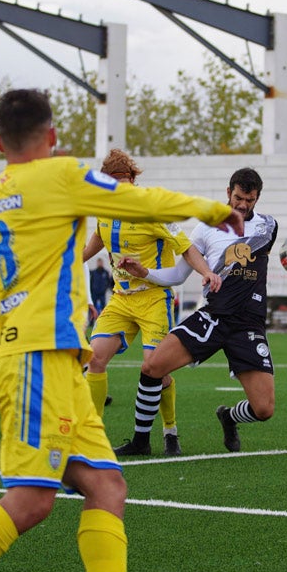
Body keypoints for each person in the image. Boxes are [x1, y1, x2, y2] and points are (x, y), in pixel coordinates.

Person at [0, 88, 241, 572]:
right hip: (34, 362)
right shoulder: (62, 174)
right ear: (54, 136)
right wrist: (212, 210)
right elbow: (140, 199)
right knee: (31, 501)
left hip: (53, 363)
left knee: (107, 488)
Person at [115, 167, 278, 455]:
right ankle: (141, 441)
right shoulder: (205, 229)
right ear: (228, 193)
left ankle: (229, 417)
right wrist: (145, 272)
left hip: (248, 326)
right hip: (214, 317)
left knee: (264, 409)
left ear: (257, 198)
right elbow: (178, 276)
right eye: (238, 197)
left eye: (250, 200)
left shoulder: (269, 227)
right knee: (152, 367)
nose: (243, 205)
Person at [83, 149, 222, 458]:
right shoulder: (103, 211)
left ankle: (170, 430)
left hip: (153, 299)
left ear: (133, 179)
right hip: (120, 300)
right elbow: (96, 243)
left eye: (124, 182)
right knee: (95, 359)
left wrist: (206, 272)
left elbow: (186, 249)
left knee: (157, 369)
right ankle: (90, 437)